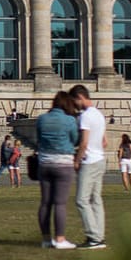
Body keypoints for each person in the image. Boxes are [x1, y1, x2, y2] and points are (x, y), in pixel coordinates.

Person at [36, 91, 80, 250]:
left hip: (45, 162)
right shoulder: (69, 120)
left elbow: (39, 139)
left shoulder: (42, 119)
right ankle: (60, 239)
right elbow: (75, 139)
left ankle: (46, 239)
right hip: (63, 163)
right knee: (60, 203)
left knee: (45, 203)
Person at [70, 84, 107, 250]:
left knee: (81, 200)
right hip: (100, 159)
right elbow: (104, 141)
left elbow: (83, 143)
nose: (75, 105)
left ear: (80, 97)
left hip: (89, 161)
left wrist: (76, 160)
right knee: (96, 199)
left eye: (74, 101)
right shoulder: (99, 115)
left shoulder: (85, 117)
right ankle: (99, 236)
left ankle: (93, 237)